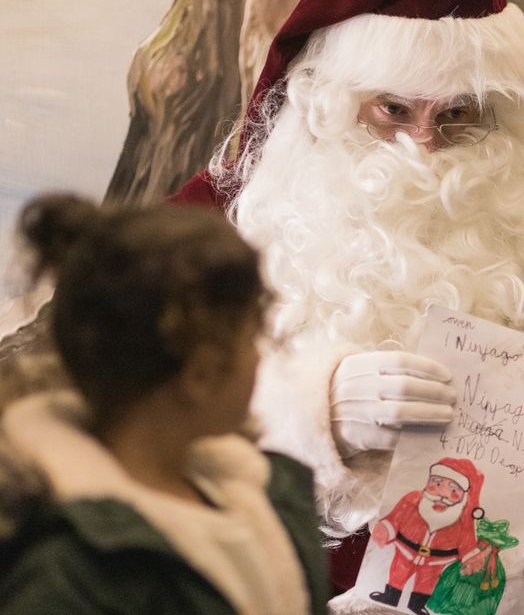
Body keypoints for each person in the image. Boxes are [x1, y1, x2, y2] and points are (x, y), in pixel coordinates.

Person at [171, 0, 524, 613]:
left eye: (458, 114)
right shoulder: (213, 223)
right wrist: (311, 416)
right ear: (332, 99)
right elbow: (130, 426)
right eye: (393, 110)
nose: (424, 146)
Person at [0, 195, 329, 614]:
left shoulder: (266, 492)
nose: (261, 357)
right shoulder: (70, 579)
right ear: (201, 375)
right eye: (251, 340)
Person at [369, 458, 487, 612]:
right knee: (398, 572)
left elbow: (467, 539)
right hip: (406, 550)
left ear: (463, 494)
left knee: (427, 582)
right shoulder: (412, 499)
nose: (443, 493)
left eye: (453, 490)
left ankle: (416, 605)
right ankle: (390, 597)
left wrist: (471, 558)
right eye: (438, 483)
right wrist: (385, 529)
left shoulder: (463, 517)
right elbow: (396, 517)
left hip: (436, 560)